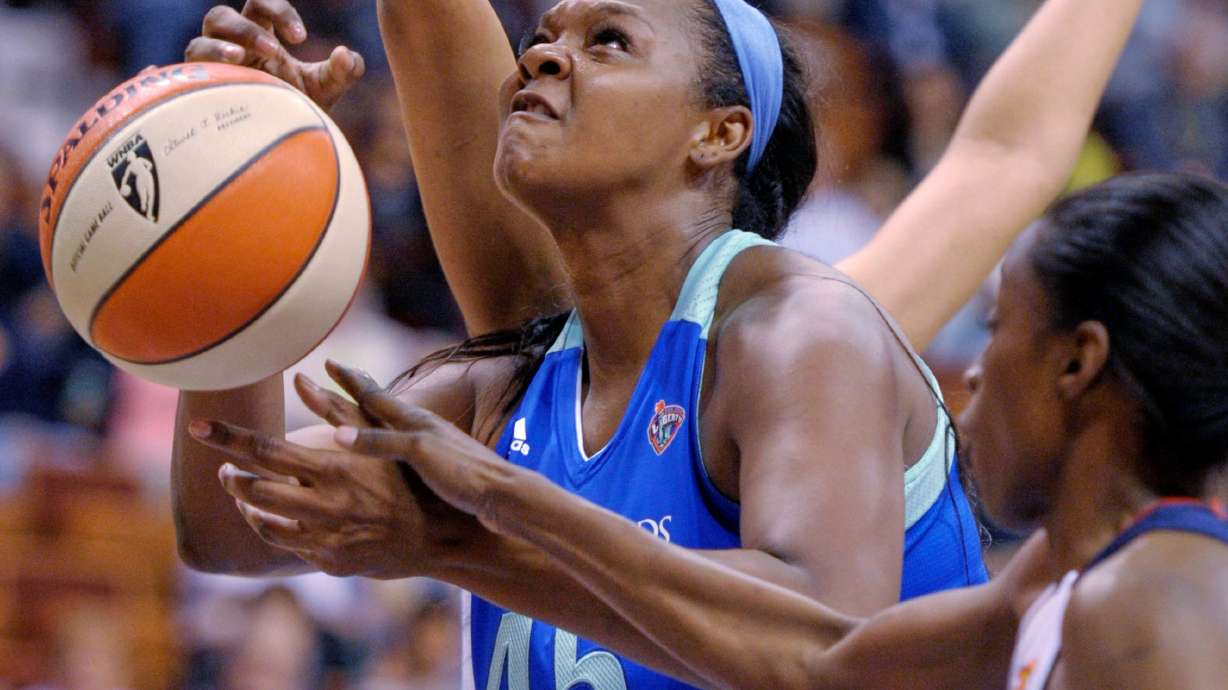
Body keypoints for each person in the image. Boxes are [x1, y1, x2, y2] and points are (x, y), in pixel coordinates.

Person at [177, 0, 1139, 688]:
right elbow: (226, 522)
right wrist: (245, 210)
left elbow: (824, 644)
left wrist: (454, 538)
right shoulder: (514, 384)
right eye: (541, 38)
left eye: (607, 40)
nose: (541, 60)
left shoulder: (800, 331)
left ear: (719, 132)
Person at [322, 171, 1228, 690]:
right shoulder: (1058, 581)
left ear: (1078, 363)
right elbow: (815, 661)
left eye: (999, 331)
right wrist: (476, 524)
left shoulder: (1151, 606)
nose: (976, 371)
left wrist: (495, 508)